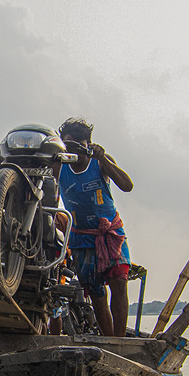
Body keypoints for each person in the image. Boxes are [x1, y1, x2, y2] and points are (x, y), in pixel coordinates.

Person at [53, 117, 134, 337]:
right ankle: (108, 340)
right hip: (81, 237)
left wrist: (103, 158)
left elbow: (127, 186)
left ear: (87, 143)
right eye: (68, 145)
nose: (74, 150)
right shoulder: (60, 165)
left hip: (110, 234)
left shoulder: (99, 162)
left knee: (119, 282)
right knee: (97, 293)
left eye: (78, 144)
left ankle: (120, 341)